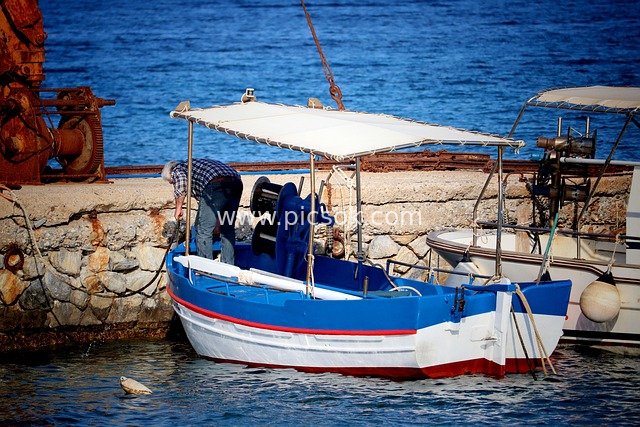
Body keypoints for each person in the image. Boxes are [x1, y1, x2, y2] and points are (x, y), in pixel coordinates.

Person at [162, 158, 243, 264]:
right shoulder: (196, 165)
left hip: (216, 185)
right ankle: (229, 266)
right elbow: (218, 203)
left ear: (170, 172)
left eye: (171, 181)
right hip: (236, 185)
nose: (172, 184)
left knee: (203, 230)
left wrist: (178, 208)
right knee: (227, 228)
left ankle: (205, 269)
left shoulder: (178, 169)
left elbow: (181, 184)